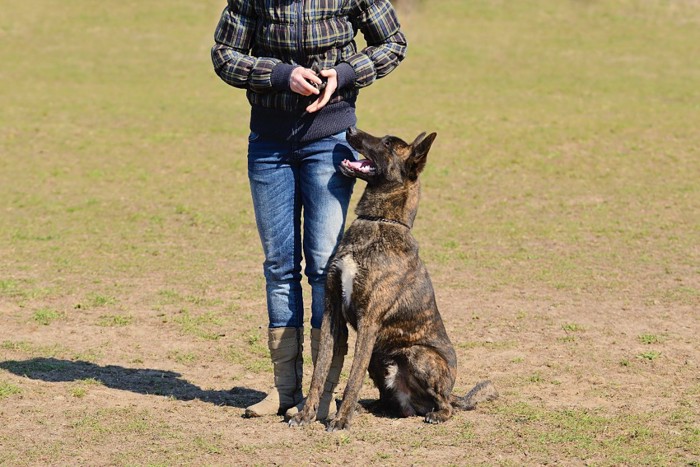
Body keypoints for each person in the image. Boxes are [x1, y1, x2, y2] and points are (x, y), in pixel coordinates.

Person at [211, 0, 407, 419]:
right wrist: (281, 75)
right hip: (269, 145)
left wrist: (346, 73)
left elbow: (393, 43)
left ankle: (321, 394)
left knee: (323, 268)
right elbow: (224, 55)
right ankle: (285, 392)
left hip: (329, 141)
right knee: (279, 267)